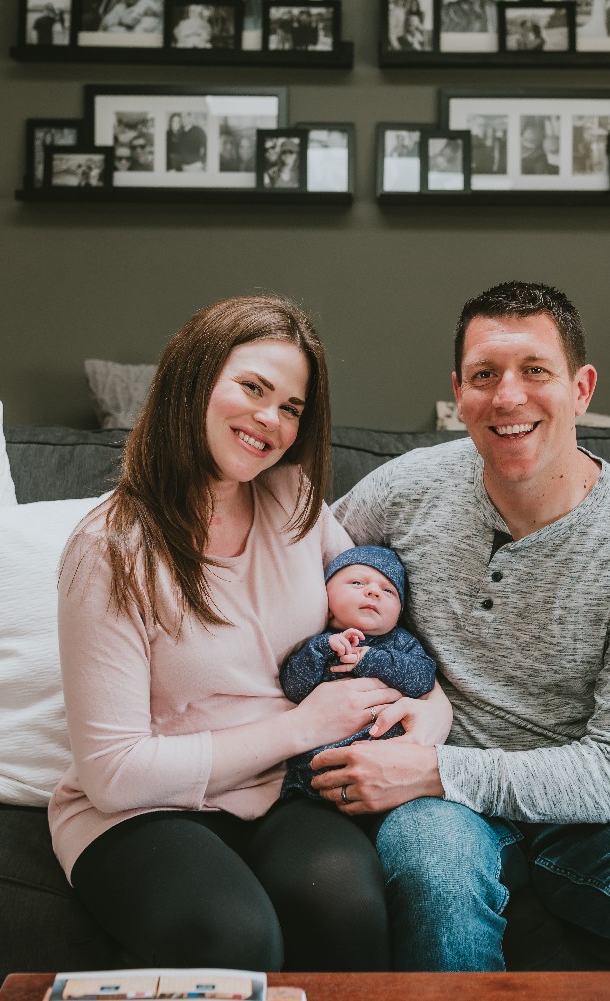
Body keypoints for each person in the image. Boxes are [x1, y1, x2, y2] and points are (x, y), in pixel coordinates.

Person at [317, 281, 610, 972]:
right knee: (433, 874)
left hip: (573, 790)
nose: (508, 397)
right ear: (458, 392)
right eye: (485, 375)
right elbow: (298, 570)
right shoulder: (404, 490)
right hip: (442, 798)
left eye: (535, 372)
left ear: (581, 389)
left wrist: (437, 769)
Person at [50, 293, 451, 971]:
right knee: (236, 935)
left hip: (283, 790)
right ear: (194, 379)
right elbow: (114, 774)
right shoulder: (109, 548)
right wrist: (303, 727)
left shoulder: (293, 501)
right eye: (253, 388)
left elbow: (385, 631)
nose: (270, 419)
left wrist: (428, 718)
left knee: (345, 902)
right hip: (143, 809)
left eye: (291, 407)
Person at [279, 545, 437, 800]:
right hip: (316, 772)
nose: (373, 591)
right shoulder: (319, 643)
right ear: (326, 595)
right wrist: (322, 650)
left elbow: (423, 678)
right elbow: (294, 688)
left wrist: (370, 659)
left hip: (390, 770)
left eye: (388, 591)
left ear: (398, 614)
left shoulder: (400, 642)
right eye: (356, 582)